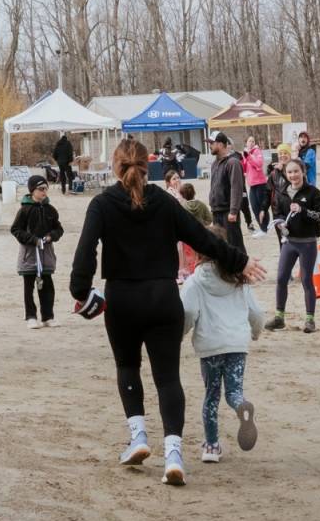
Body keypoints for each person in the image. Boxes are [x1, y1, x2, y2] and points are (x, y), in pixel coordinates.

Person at [69, 138, 261, 487]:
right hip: (162, 298)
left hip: (123, 299)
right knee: (168, 378)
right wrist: (241, 261)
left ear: (115, 166)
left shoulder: (101, 204)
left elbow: (85, 254)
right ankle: (174, 454)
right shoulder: (165, 202)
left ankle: (139, 437)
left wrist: (81, 293)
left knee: (128, 367)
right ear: (149, 166)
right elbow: (203, 240)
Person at [180, 224, 263, 465]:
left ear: (198, 252)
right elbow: (256, 312)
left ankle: (212, 446)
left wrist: (180, 335)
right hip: (237, 343)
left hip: (211, 344)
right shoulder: (239, 277)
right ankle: (240, 405)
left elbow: (187, 311)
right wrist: (255, 333)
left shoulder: (195, 281)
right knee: (234, 391)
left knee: (212, 395)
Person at [266, 158, 320, 333]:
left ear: (303, 172)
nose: (293, 175)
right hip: (289, 243)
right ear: (286, 174)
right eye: (290, 172)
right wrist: (279, 225)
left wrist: (303, 210)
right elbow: (277, 214)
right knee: (281, 278)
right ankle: (279, 318)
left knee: (307, 280)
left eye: (296, 171)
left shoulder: (314, 193)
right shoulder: (282, 193)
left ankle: (310, 320)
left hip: (307, 243)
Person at [11, 174, 65, 327]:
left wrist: (51, 236)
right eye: (41, 189)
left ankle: (48, 316)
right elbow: (15, 230)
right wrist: (33, 240)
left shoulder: (51, 210)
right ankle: (30, 316)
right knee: (29, 287)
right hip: (29, 256)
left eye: (46, 189)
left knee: (47, 286)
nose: (44, 192)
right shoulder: (24, 210)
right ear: (32, 190)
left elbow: (59, 229)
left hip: (46, 255)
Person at [205, 131, 247, 251]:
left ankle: (242, 269)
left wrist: (233, 211)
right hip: (216, 211)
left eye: (212, 143)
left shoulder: (232, 162)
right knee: (221, 245)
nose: (210, 145)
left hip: (228, 212)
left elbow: (236, 188)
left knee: (235, 246)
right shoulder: (214, 164)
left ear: (221, 144)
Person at [243, 136, 270, 233]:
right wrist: (244, 158)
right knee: (254, 207)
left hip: (260, 183)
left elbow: (259, 164)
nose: (251, 142)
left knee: (262, 206)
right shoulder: (246, 153)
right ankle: (263, 228)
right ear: (246, 143)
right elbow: (244, 168)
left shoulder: (257, 151)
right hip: (252, 184)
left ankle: (265, 228)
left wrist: (249, 156)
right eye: (249, 141)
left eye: (253, 141)